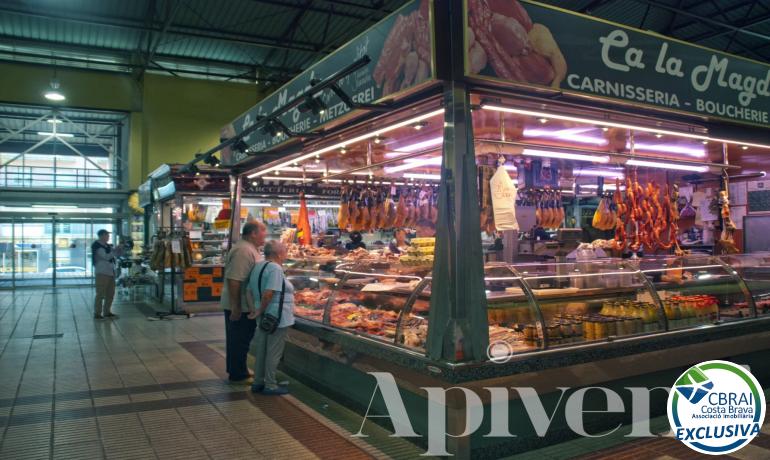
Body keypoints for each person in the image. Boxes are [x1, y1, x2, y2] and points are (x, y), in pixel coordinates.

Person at [221, 221, 267, 383]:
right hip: (240, 305)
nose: (265, 235)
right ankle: (238, 374)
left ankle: (238, 370)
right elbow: (234, 280)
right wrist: (236, 307)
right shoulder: (243, 250)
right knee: (239, 340)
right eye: (263, 232)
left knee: (241, 339)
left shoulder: (249, 249)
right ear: (253, 233)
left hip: (245, 304)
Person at [247, 241, 295, 395]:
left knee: (262, 349)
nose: (286, 254)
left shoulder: (258, 265)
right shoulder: (275, 268)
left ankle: (258, 382)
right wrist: (260, 309)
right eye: (285, 251)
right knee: (273, 351)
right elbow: (269, 293)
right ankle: (271, 385)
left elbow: (248, 290)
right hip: (276, 315)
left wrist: (254, 309)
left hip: (264, 314)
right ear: (279, 253)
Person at [92, 229, 123, 319]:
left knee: (110, 293)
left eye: (108, 235)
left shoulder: (107, 245)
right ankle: (97, 313)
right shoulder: (97, 246)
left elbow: (116, 254)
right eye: (107, 235)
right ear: (101, 236)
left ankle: (107, 312)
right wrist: (114, 251)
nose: (108, 237)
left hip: (110, 272)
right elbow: (106, 256)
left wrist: (119, 249)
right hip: (102, 272)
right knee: (100, 293)